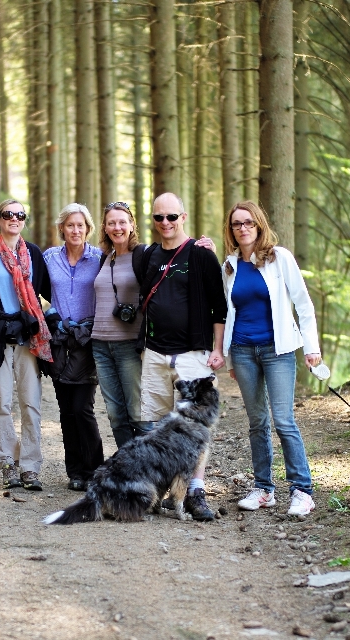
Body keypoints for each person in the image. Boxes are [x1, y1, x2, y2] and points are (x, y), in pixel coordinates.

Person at [221, 201, 321, 517]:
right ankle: (264, 489)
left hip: (278, 351)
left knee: (283, 420)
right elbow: (227, 312)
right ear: (231, 230)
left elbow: (304, 305)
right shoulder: (229, 265)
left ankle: (302, 491)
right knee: (257, 422)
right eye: (237, 224)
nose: (243, 228)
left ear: (259, 225)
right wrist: (231, 360)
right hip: (243, 350)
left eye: (249, 222)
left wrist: (311, 347)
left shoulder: (280, 259)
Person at [137, 192, 227, 521]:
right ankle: (160, 490)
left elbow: (220, 306)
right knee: (156, 424)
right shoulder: (149, 256)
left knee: (195, 427)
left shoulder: (201, 255)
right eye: (159, 218)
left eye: (171, 217)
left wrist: (217, 350)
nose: (165, 223)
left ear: (183, 217)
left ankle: (195, 491)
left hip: (193, 353)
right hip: (155, 353)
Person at [0, 199, 53, 491]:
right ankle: (7, 464)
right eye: (8, 214)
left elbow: (50, 292)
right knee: (1, 404)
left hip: (28, 338)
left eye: (20, 215)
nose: (14, 219)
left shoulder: (33, 253)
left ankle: (30, 467)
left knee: (31, 404)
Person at [42, 203, 105, 491]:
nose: (75, 230)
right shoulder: (49, 257)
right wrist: (51, 314)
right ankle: (75, 472)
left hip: (87, 339)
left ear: (88, 229)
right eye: (70, 225)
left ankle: (95, 470)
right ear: (62, 228)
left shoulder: (100, 258)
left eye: (80, 225)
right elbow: (37, 288)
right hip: (59, 340)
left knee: (82, 408)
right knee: (66, 409)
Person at [90, 202, 148, 449]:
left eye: (122, 222)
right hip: (100, 344)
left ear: (132, 224)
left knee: (137, 413)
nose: (117, 227)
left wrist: (202, 249)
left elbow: (172, 262)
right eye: (111, 222)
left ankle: (149, 472)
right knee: (115, 415)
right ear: (105, 227)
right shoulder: (104, 257)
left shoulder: (144, 255)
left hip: (129, 345)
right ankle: (128, 471)